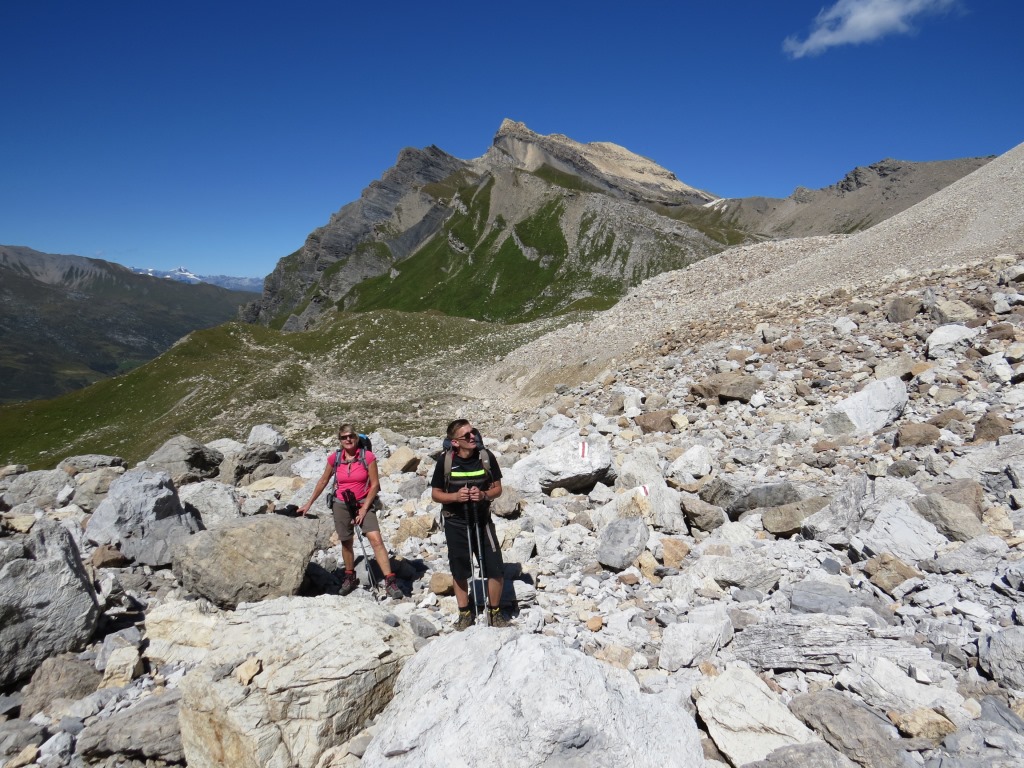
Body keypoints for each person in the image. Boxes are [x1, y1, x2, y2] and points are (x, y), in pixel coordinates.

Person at [299, 424, 403, 600]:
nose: (348, 439)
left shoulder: (367, 457)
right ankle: (349, 577)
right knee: (346, 541)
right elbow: (323, 480)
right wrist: (309, 503)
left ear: (356, 438)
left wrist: (363, 509)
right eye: (344, 437)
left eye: (351, 436)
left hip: (363, 502)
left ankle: (390, 581)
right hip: (341, 504)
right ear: (340, 440)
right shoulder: (335, 458)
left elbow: (375, 485)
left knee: (376, 539)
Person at [430, 419, 510, 629]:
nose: (473, 436)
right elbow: (436, 494)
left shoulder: (485, 457)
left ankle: (494, 612)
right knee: (460, 570)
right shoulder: (445, 461)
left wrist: (483, 494)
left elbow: (497, 489)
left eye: (473, 432)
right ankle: (465, 612)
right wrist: (455, 497)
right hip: (455, 522)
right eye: (466, 435)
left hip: (482, 521)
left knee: (495, 568)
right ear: (455, 442)